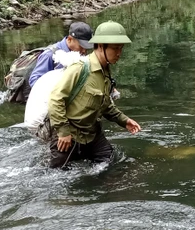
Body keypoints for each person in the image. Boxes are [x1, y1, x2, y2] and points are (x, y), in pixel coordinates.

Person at [46, 21, 142, 169]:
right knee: (56, 177)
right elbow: (55, 100)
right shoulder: (79, 68)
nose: (119, 53)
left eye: (121, 48)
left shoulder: (106, 72)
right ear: (100, 46)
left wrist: (124, 120)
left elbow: (106, 105)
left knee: (111, 165)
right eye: (115, 48)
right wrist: (63, 133)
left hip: (93, 135)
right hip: (69, 136)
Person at [28, 22, 94, 88]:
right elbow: (34, 81)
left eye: (87, 47)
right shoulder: (49, 55)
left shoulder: (80, 54)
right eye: (81, 46)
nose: (84, 51)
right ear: (69, 39)